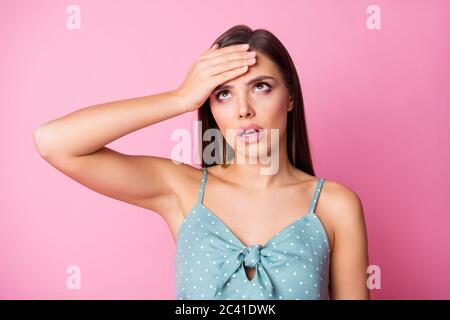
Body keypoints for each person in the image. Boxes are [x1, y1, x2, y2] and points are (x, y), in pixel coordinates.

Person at [34, 25, 370, 300]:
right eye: (223, 93)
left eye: (261, 87)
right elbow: (54, 142)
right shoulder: (182, 189)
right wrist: (180, 98)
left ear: (291, 96)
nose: (243, 110)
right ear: (209, 106)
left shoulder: (334, 205)